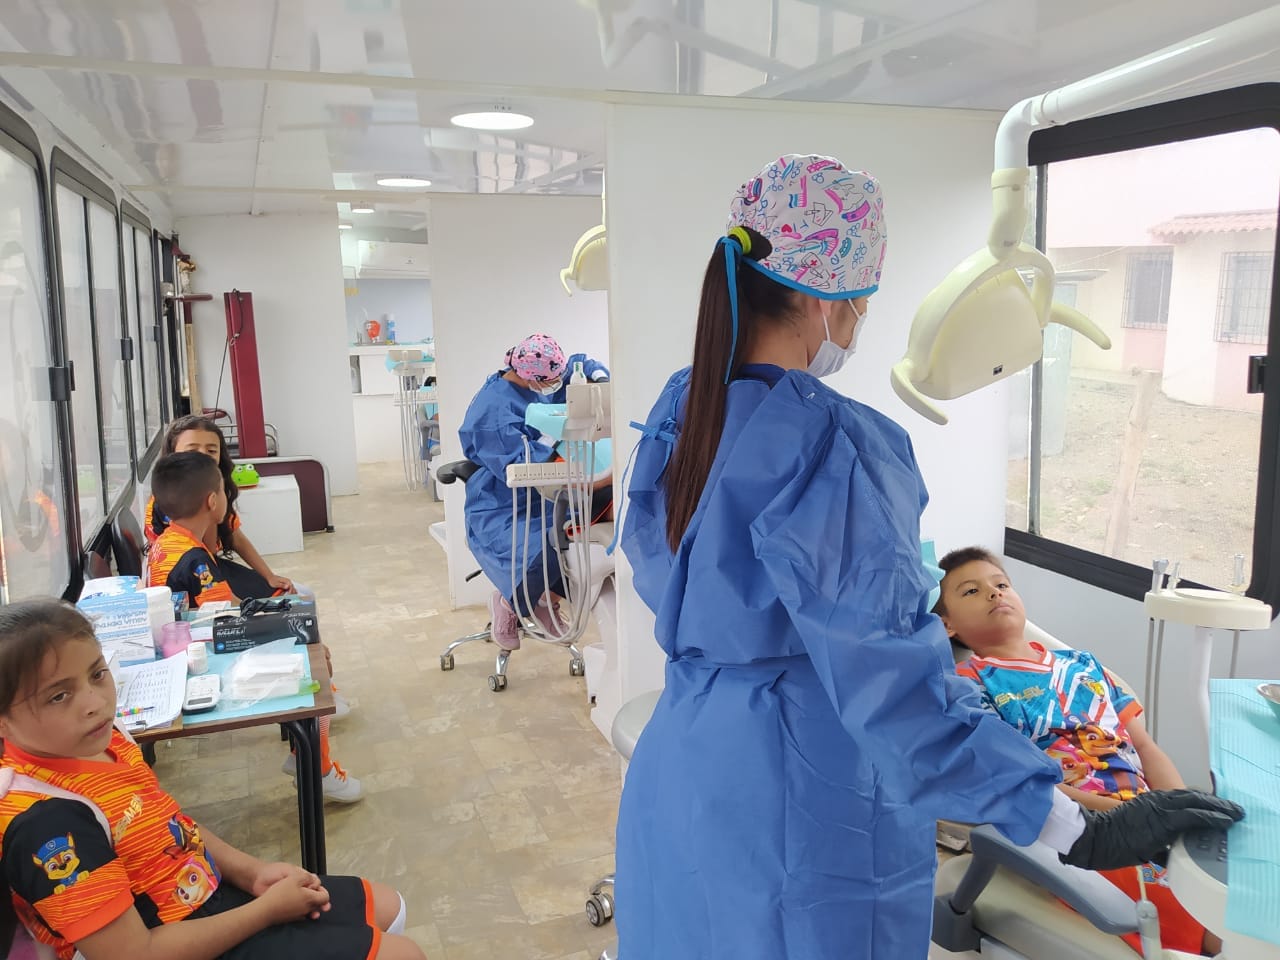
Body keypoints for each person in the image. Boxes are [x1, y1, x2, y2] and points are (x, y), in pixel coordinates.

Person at [614, 154, 1243, 959]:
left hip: (684, 769)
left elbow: (661, 560)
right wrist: (1074, 828)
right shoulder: (834, 447)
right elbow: (895, 689)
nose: (861, 317)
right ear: (820, 296)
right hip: (801, 795)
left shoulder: (685, 405)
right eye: (862, 298)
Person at [0, 598, 424, 960]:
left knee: (391, 908)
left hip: (202, 896)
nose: (94, 702)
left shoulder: (103, 740)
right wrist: (265, 912)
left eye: (97, 674)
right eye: (59, 696)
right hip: (169, 939)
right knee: (404, 954)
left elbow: (169, 823)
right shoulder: (48, 824)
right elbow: (135, 953)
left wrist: (252, 872)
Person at [936, 546, 1222, 956]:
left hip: (1147, 808)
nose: (994, 593)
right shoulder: (969, 686)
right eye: (971, 591)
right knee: (1213, 912)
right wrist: (1124, 817)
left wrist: (1175, 806)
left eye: (1001, 584)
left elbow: (1143, 745)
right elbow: (1018, 785)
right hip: (1084, 827)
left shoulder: (1084, 665)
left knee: (1234, 868)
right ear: (947, 624)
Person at [147, 453, 363, 804]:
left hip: (186, 641)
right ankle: (317, 768)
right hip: (204, 654)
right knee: (314, 666)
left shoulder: (168, 543)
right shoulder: (196, 560)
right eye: (223, 491)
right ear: (212, 501)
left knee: (298, 615)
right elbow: (228, 618)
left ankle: (306, 754)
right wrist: (296, 636)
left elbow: (224, 603)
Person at [459, 333, 598, 649]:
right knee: (542, 548)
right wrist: (560, 448)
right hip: (501, 502)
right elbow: (521, 464)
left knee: (573, 534)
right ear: (530, 376)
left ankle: (544, 602)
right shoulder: (493, 412)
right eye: (548, 380)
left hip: (541, 495)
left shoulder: (534, 379)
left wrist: (595, 372)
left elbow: (570, 374)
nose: (554, 384)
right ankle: (509, 605)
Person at [146, 416, 299, 601]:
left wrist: (269, 576)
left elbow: (235, 537)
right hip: (193, 577)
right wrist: (210, 513)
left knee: (288, 592)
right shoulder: (168, 502)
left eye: (211, 450)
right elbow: (207, 553)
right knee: (292, 599)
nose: (203, 456)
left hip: (209, 566)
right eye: (192, 450)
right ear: (173, 453)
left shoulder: (216, 486)